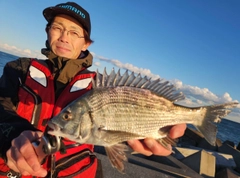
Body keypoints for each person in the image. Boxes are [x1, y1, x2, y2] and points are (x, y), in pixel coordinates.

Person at [0, 2, 186, 178]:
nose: (64, 37)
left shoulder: (99, 86)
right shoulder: (19, 69)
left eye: (74, 32)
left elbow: (120, 129)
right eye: (58, 28)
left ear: (86, 43)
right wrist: (14, 134)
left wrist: (148, 130)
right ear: (47, 30)